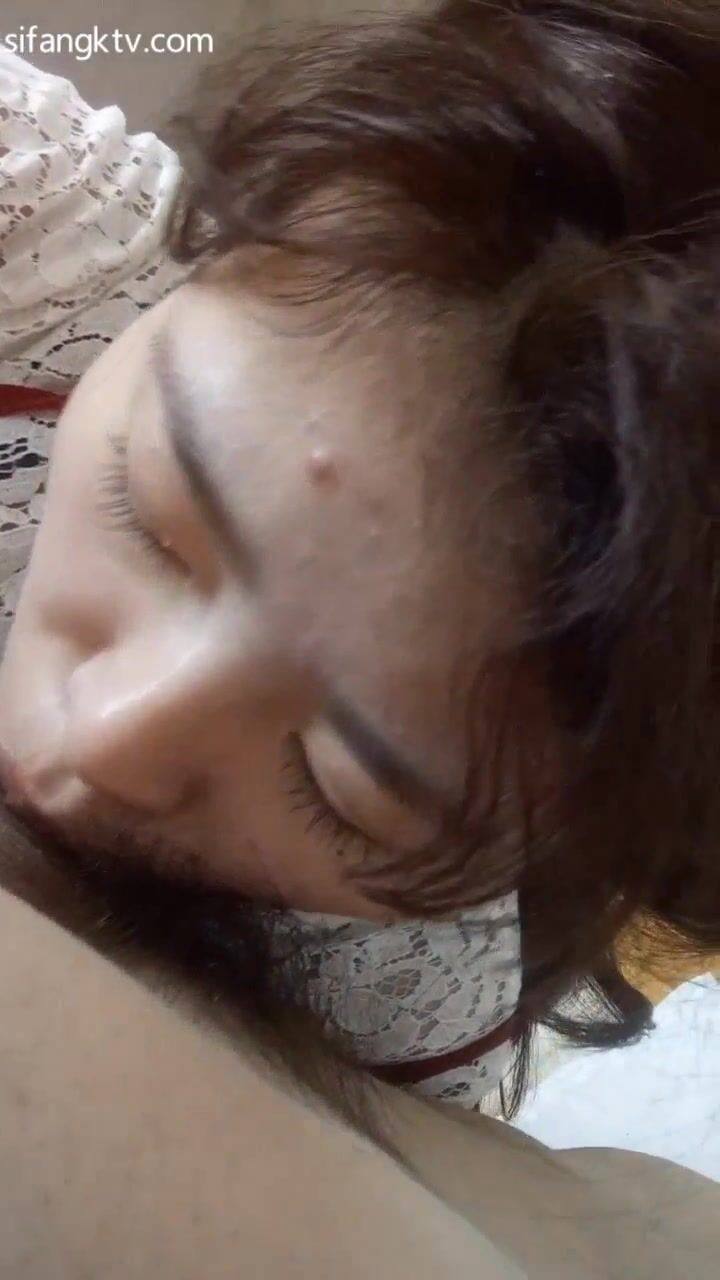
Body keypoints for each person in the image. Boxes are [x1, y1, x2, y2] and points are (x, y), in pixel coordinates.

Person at [2, 0, 720, 1122]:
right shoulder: (55, 221)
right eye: (147, 513)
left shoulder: (389, 1041)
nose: (104, 738)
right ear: (221, 240)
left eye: (344, 796)